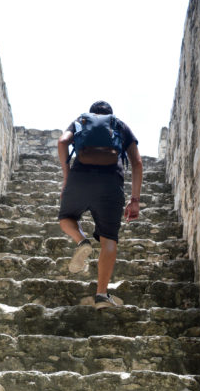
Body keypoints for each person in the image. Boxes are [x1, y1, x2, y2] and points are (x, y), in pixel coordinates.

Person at [57, 100, 143, 309]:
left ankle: (81, 241)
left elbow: (62, 142)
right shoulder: (120, 126)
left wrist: (67, 176)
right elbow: (137, 163)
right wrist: (134, 200)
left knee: (66, 219)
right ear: (109, 116)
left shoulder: (81, 120)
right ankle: (102, 294)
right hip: (110, 186)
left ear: (92, 114)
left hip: (80, 180)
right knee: (109, 239)